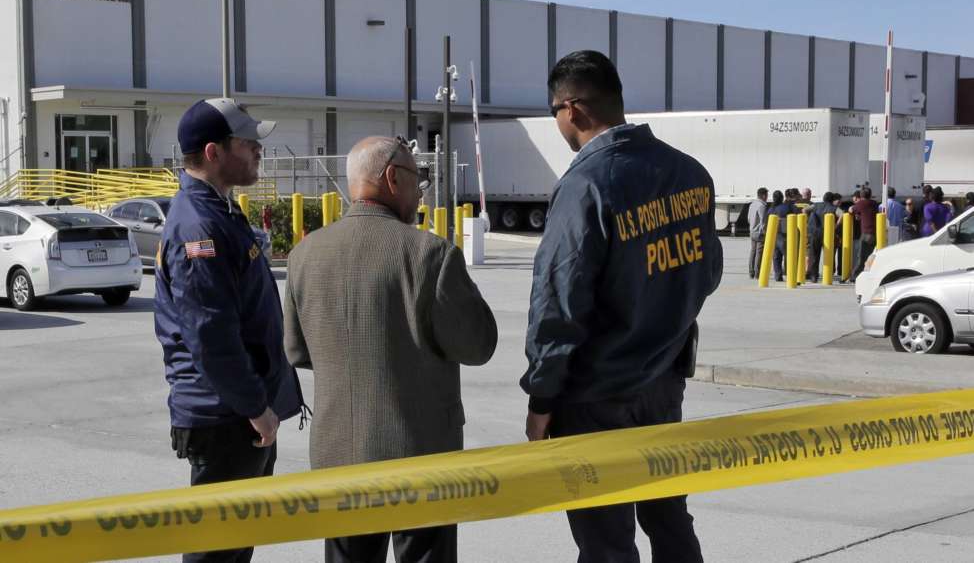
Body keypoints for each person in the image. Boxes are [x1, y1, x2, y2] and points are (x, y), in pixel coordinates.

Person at [521, 50, 721, 563]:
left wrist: (542, 398)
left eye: (554, 113)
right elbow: (709, 272)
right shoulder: (689, 173)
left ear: (573, 110)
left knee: (606, 540)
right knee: (670, 521)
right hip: (663, 386)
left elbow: (558, 301)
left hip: (596, 395)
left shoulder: (586, 183)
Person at [284, 135, 497, 563]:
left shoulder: (304, 255)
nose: (422, 194)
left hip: (337, 459)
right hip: (420, 461)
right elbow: (479, 346)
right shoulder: (429, 254)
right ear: (392, 177)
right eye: (419, 182)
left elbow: (297, 350)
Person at [155, 98, 305, 563]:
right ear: (213, 152)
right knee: (215, 554)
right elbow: (211, 336)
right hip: (227, 420)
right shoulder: (199, 225)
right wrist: (256, 407)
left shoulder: (220, 211)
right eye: (248, 142)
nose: (259, 150)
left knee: (234, 549)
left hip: (241, 413)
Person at [804, 192, 834, 282]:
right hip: (826, 233)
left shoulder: (816, 205)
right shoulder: (832, 207)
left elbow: (804, 210)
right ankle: (828, 275)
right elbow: (841, 214)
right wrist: (835, 225)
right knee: (828, 255)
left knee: (814, 255)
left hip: (814, 232)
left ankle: (814, 276)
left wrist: (808, 221)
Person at [852, 187, 879, 279]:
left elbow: (851, 210)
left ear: (861, 195)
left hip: (865, 233)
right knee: (871, 255)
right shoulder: (874, 203)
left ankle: (855, 276)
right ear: (870, 195)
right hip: (875, 233)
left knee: (861, 256)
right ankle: (869, 273)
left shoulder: (861, 203)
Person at [769, 190, 791, 282]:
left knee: (776, 256)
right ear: (782, 198)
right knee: (788, 255)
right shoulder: (785, 208)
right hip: (784, 234)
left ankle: (778, 275)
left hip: (773, 235)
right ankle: (789, 274)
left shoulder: (770, 209)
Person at [747, 187, 768, 279]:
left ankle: (751, 271)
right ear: (763, 195)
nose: (767, 197)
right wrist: (764, 232)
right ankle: (757, 272)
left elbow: (748, 218)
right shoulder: (762, 206)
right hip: (759, 232)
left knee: (753, 251)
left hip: (752, 231)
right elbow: (763, 220)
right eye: (766, 195)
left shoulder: (752, 204)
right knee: (759, 253)